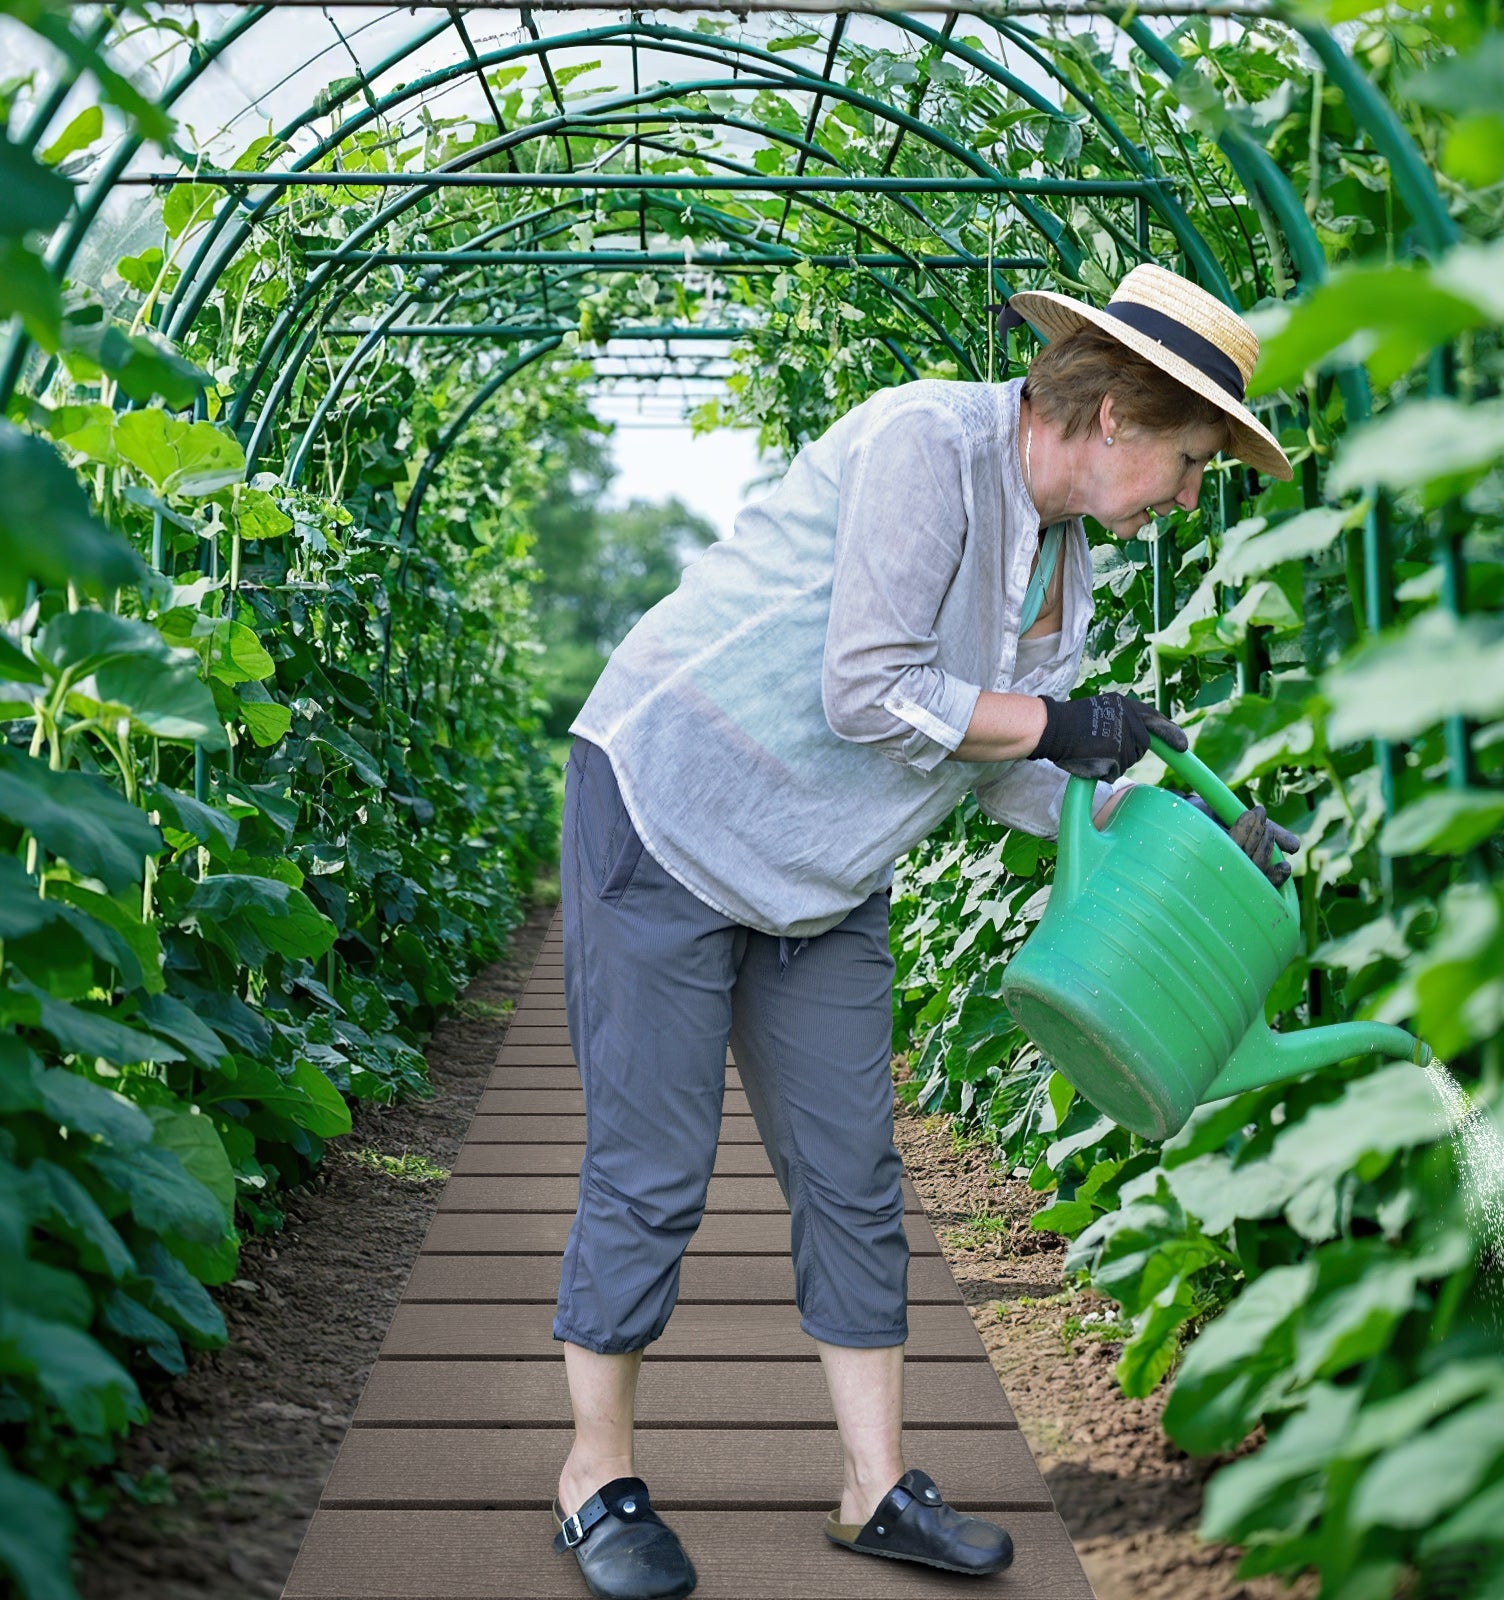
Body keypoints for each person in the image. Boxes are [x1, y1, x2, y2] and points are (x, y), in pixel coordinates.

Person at [548, 263, 1300, 1599]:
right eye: (1192, 461)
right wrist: (1062, 726)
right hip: (673, 804)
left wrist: (1169, 823)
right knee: (654, 1167)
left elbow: (1012, 770)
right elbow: (869, 690)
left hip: (824, 869)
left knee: (852, 1173)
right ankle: (595, 1481)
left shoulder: (1066, 562)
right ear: (1116, 413)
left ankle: (875, 1490)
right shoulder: (928, 443)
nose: (1190, 496)